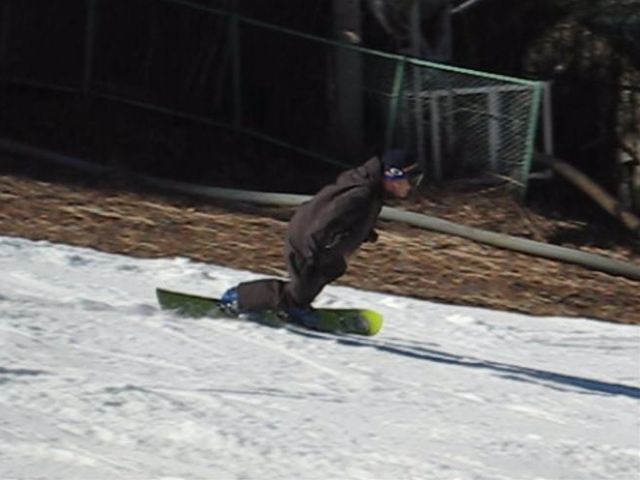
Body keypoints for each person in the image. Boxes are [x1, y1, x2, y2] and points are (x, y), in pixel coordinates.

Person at [220, 149, 423, 326]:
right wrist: (313, 250)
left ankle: (295, 306)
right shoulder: (361, 193)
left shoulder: (372, 190)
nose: (411, 187)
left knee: (330, 269)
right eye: (411, 181)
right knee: (299, 288)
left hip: (319, 240)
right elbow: (328, 218)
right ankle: (240, 297)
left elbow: (351, 217)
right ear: (393, 175)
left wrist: (363, 232)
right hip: (309, 239)